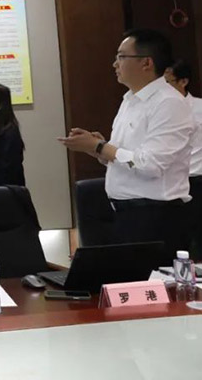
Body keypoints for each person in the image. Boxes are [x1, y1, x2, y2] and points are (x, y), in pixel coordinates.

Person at [58, 29, 194, 258]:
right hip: (122, 213)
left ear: (146, 63)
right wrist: (98, 148)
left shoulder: (169, 103)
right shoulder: (130, 100)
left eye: (121, 57)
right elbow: (124, 156)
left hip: (155, 216)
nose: (115, 64)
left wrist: (99, 147)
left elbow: (150, 165)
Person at [164, 59, 202, 256]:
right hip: (172, 184)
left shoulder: (199, 107)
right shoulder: (159, 111)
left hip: (198, 180)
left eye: (167, 82)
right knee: (178, 241)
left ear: (183, 81)